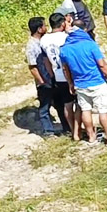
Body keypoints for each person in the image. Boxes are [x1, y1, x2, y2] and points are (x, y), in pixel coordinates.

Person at [60, 25, 107, 147]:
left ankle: (91, 137)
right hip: (97, 82)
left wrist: (70, 83)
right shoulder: (90, 45)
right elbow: (102, 65)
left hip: (80, 84)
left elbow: (65, 69)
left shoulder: (64, 49)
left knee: (85, 110)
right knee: (103, 111)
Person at [41, 12, 79, 140]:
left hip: (58, 75)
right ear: (63, 23)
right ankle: (80, 129)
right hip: (72, 74)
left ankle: (73, 130)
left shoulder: (44, 39)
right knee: (80, 104)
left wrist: (52, 75)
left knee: (67, 104)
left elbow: (46, 61)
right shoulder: (66, 37)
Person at [26, 17, 59, 137]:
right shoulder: (31, 46)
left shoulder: (44, 40)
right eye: (44, 26)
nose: (46, 27)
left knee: (58, 102)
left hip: (51, 77)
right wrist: (41, 81)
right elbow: (32, 67)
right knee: (45, 107)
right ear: (39, 29)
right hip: (43, 80)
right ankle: (48, 131)